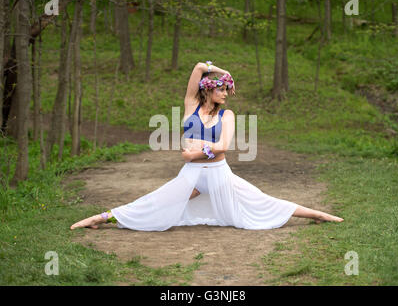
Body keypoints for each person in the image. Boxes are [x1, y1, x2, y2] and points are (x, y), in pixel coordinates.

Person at [70, 62, 343, 230]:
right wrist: (225, 71)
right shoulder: (191, 105)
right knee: (157, 202)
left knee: (261, 201)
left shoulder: (228, 115)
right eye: (221, 88)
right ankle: (102, 217)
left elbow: (223, 146)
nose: (225, 93)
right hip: (192, 177)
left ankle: (316, 214)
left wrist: (193, 153)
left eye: (227, 88)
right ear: (208, 89)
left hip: (219, 175)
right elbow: (200, 66)